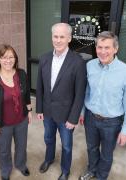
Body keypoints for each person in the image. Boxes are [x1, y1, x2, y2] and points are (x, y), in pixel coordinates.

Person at [36, 23, 87, 180]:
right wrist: (39, 109)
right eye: (55, 36)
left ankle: (65, 170)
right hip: (48, 111)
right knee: (48, 139)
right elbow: (40, 86)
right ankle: (49, 159)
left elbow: (80, 94)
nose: (58, 40)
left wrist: (73, 118)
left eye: (62, 37)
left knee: (66, 145)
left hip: (66, 116)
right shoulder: (44, 58)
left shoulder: (78, 62)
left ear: (69, 38)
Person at [79, 31, 126, 180]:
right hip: (91, 118)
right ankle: (92, 170)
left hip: (112, 122)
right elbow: (86, 91)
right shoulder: (90, 65)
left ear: (115, 49)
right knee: (91, 148)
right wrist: (82, 112)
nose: (103, 51)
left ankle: (101, 176)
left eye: (107, 47)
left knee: (107, 154)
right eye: (99, 47)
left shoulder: (125, 71)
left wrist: (125, 130)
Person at [0, 44, 32, 180]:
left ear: (15, 59)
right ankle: (5, 170)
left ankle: (21, 165)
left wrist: (29, 111)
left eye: (11, 57)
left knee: (21, 147)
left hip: (21, 121)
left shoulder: (21, 74)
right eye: (4, 57)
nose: (8, 60)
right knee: (4, 151)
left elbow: (26, 94)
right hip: (2, 124)